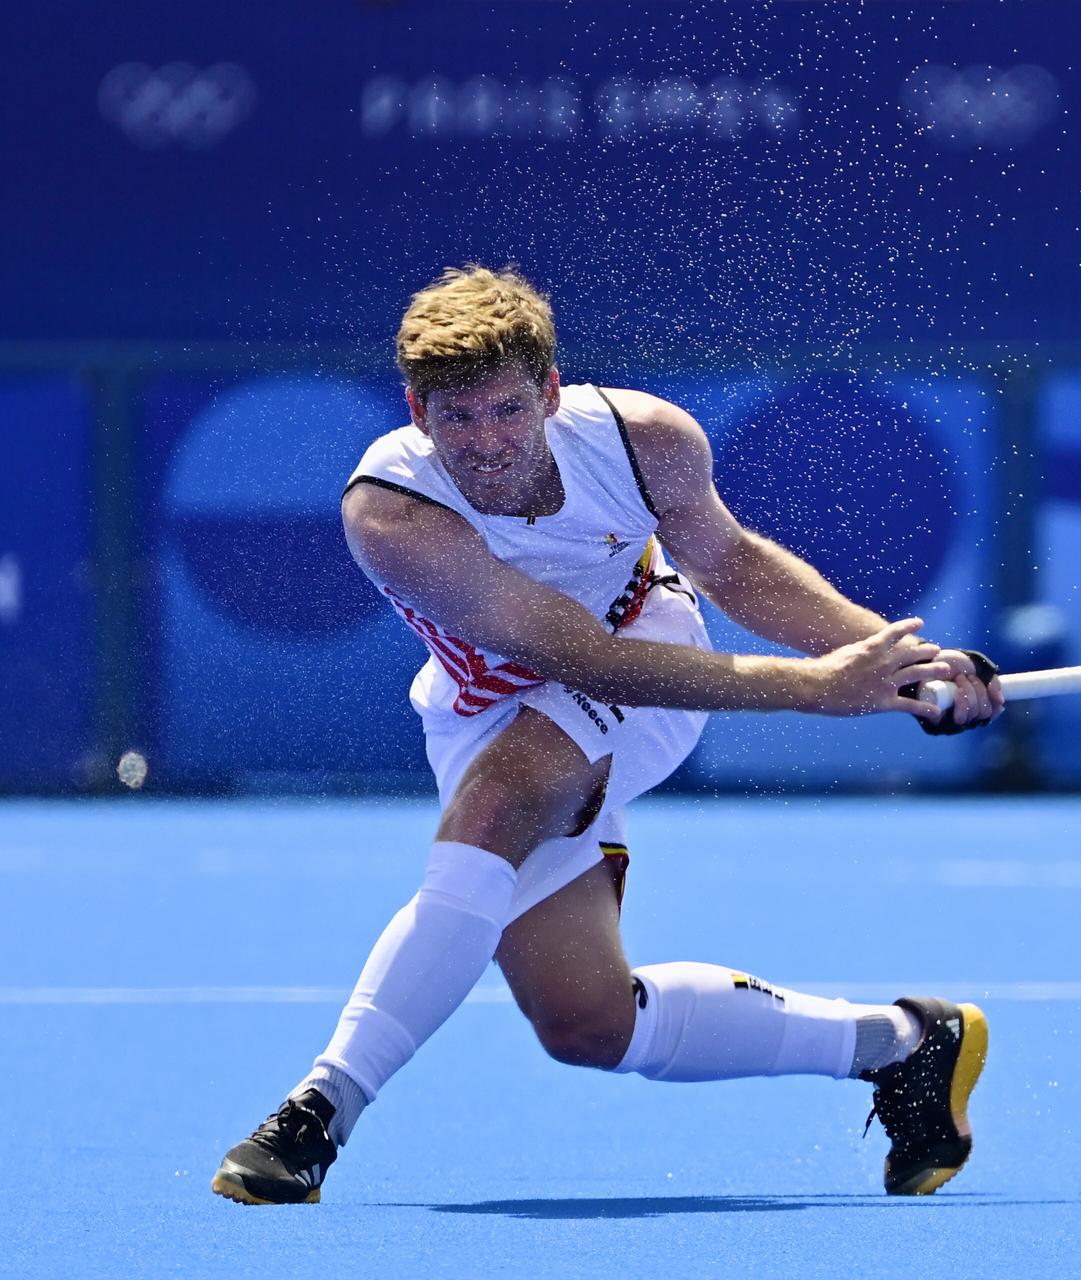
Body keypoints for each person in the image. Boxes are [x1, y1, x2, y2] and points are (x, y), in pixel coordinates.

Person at [212, 265, 1001, 1206]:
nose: (487, 443)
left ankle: (317, 1114)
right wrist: (816, 691)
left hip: (650, 646)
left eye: (507, 410)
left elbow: (733, 569)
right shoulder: (391, 513)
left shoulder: (644, 441)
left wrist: (896, 661)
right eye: (457, 418)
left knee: (499, 803)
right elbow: (573, 658)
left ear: (550, 391)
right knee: (586, 1024)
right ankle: (904, 1048)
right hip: (496, 706)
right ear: (417, 411)